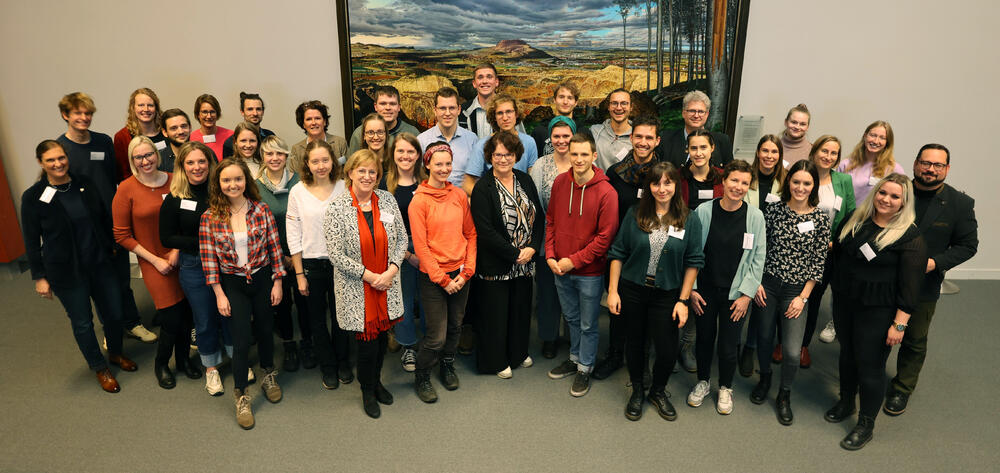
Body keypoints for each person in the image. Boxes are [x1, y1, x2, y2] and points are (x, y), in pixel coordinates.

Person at [21, 140, 137, 393]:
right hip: (66, 272)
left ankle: (116, 354)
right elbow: (31, 240)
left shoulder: (83, 183)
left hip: (100, 264)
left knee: (114, 315)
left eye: (61, 158)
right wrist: (39, 277)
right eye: (51, 160)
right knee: (82, 322)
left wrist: (114, 248)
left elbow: (104, 218)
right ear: (41, 163)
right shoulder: (33, 198)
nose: (58, 163)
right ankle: (99, 367)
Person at [825, 173, 926, 450]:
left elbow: (910, 287)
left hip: (879, 312)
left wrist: (900, 325)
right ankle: (846, 401)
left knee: (870, 366)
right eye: (883, 193)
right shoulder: (856, 221)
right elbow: (839, 252)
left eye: (895, 196)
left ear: (904, 202)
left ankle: (866, 423)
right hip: (846, 304)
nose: (886, 200)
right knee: (847, 355)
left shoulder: (909, 237)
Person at [883, 144, 978, 416]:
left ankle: (902, 388)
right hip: (884, 278)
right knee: (876, 331)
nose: (930, 169)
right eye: (925, 163)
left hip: (924, 284)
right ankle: (869, 377)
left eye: (937, 165)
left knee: (913, 338)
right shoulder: (895, 191)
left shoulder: (960, 204)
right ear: (915, 164)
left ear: (947, 169)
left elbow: (968, 245)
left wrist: (935, 263)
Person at [607, 162, 704, 421]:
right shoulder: (634, 213)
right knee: (635, 344)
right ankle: (638, 389)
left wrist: (683, 300)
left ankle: (658, 391)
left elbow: (694, 261)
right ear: (648, 186)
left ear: (676, 186)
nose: (662, 188)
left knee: (667, 348)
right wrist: (613, 291)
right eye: (656, 183)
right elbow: (617, 253)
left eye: (667, 183)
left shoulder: (688, 218)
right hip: (633, 290)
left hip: (667, 294)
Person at [56, 92, 155, 345]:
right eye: (77, 113)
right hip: (85, 228)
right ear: (66, 115)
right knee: (99, 281)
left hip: (112, 219)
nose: (84, 118)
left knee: (121, 275)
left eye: (87, 113)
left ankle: (132, 323)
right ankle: (112, 329)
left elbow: (116, 178)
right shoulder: (61, 149)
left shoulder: (103, 142)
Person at [199, 158, 286, 430]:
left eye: (238, 179)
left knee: (265, 330)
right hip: (233, 284)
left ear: (245, 181)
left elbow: (275, 249)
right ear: (219, 184)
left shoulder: (261, 209)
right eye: (226, 180)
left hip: (262, 279)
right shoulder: (210, 217)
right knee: (240, 340)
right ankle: (241, 394)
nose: (233, 184)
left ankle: (268, 375)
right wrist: (219, 295)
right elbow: (209, 260)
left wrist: (278, 283)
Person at [323, 150, 408, 418]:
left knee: (382, 340)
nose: (367, 176)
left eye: (373, 172)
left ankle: (377, 381)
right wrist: (372, 277)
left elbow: (402, 239)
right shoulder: (337, 207)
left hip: (387, 284)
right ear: (350, 173)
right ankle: (366, 390)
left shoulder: (387, 200)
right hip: (358, 288)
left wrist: (391, 270)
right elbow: (336, 255)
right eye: (362, 171)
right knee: (366, 344)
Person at [113, 136, 197, 390]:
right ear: (132, 160)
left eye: (148, 154)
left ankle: (183, 360)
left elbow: (186, 220)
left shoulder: (175, 181)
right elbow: (121, 235)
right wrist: (155, 260)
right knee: (171, 318)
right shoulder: (125, 189)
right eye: (138, 157)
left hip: (180, 256)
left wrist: (175, 252)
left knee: (186, 314)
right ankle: (162, 364)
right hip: (152, 262)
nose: (144, 160)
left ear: (156, 155)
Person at [749, 160, 830, 425]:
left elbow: (818, 263)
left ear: (813, 186)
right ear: (788, 183)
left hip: (796, 292)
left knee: (793, 351)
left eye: (807, 183)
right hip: (767, 285)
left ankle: (784, 393)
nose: (800, 187)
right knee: (763, 338)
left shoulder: (820, 218)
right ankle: (764, 379)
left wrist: (802, 297)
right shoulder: (772, 211)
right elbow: (759, 249)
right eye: (796, 181)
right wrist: (757, 282)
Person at [686, 159, 765, 415]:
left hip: (735, 295)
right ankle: (703, 381)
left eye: (744, 182)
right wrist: (693, 289)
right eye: (734, 180)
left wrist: (746, 296)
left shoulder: (755, 217)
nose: (738, 186)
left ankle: (726, 387)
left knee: (729, 345)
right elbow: (692, 253)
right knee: (704, 339)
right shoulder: (703, 212)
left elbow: (757, 259)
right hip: (705, 291)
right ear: (724, 181)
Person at [545, 133, 619, 398]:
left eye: (584, 154)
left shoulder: (606, 192)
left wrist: (572, 261)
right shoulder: (560, 183)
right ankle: (575, 358)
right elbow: (551, 219)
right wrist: (551, 255)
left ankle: (585, 368)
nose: (578, 159)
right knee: (572, 318)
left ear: (594, 156)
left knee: (588, 323)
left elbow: (604, 239)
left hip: (588, 272)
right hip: (559, 268)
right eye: (574, 154)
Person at [593, 114, 663, 380]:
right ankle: (614, 354)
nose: (643, 142)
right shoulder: (616, 173)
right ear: (631, 138)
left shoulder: (663, 175)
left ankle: (642, 361)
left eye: (649, 138)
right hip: (621, 252)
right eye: (639, 137)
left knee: (646, 310)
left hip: (652, 250)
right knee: (618, 306)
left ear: (657, 141)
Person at [159, 141, 232, 395]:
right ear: (182, 166)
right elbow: (166, 238)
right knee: (204, 319)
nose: (197, 167)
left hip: (227, 262)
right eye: (190, 162)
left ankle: (237, 359)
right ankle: (211, 369)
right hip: (195, 264)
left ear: (210, 164)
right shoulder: (176, 197)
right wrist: (203, 240)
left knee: (230, 315)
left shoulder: (221, 191)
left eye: (202, 161)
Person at [470, 130, 543, 378]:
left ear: (516, 155)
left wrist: (533, 247)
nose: (503, 159)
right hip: (497, 263)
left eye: (508, 154)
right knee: (496, 314)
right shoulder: (483, 187)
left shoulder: (525, 179)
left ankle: (517, 353)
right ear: (490, 156)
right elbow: (485, 230)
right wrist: (515, 253)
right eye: (498, 154)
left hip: (525, 262)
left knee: (520, 311)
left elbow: (539, 217)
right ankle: (495, 361)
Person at [408, 142, 477, 403]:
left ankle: (447, 364)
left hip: (460, 274)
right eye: (438, 164)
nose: (444, 168)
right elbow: (422, 247)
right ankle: (422, 374)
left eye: (448, 163)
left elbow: (470, 233)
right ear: (427, 165)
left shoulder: (458, 195)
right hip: (434, 278)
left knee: (456, 327)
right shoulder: (419, 201)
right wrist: (442, 280)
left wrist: (467, 271)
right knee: (436, 336)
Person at [288, 140, 353, 389]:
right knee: (316, 320)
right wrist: (299, 273)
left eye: (325, 160)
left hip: (342, 264)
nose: (321, 165)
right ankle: (327, 366)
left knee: (341, 319)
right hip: (312, 265)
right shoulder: (298, 191)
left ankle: (342, 361)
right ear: (307, 163)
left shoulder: (344, 188)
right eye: (315, 161)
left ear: (333, 161)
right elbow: (293, 235)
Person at [255, 135, 313, 373]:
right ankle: (289, 345)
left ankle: (308, 343)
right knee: (282, 304)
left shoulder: (300, 182)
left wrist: (295, 255)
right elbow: (258, 227)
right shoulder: (255, 187)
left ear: (287, 156)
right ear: (263, 157)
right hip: (273, 256)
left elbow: (307, 219)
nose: (275, 158)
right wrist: (280, 256)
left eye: (279, 153)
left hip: (301, 252)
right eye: (269, 153)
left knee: (305, 301)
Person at [379, 133, 428, 371]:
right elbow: (381, 226)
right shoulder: (384, 185)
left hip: (428, 247)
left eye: (410, 151)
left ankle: (430, 345)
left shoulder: (427, 182)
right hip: (398, 250)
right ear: (393, 155)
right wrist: (407, 255)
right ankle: (408, 346)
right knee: (404, 301)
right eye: (401, 151)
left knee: (430, 300)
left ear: (418, 155)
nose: (405, 156)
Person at [738, 134, 786, 373]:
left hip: (774, 249)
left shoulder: (785, 182)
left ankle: (750, 347)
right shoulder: (748, 178)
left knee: (760, 299)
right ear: (758, 152)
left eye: (774, 152)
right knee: (740, 292)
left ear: (780, 155)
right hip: (745, 244)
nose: (769, 156)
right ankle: (733, 341)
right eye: (765, 151)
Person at [528, 117, 575, 359]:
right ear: (550, 139)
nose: (561, 141)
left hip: (577, 239)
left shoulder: (581, 163)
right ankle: (549, 337)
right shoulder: (540, 165)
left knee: (573, 290)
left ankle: (571, 336)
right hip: (548, 237)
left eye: (566, 136)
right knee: (548, 291)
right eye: (556, 136)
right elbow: (534, 204)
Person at [808, 136, 856, 350]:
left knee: (814, 299)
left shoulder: (843, 181)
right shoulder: (802, 174)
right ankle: (781, 343)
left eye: (833, 153)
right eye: (824, 151)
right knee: (789, 298)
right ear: (815, 151)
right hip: (797, 249)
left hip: (827, 251)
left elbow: (851, 216)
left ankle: (803, 346)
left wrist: (833, 243)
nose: (828, 156)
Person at [462, 94, 539, 195]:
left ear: (516, 114)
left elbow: (533, 179)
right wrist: (488, 198)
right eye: (500, 113)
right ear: (494, 117)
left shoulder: (529, 142)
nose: (505, 118)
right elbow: (467, 184)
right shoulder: (482, 145)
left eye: (509, 112)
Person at [417, 87, 478, 187]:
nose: (447, 113)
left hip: (464, 199)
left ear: (459, 110)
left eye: (452, 108)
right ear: (435, 110)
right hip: (434, 198)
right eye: (442, 108)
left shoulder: (472, 140)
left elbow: (476, 176)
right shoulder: (422, 140)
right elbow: (418, 175)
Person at [657, 90, 734, 168]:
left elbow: (730, 174)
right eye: (692, 111)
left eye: (700, 111)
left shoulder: (722, 141)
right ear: (683, 113)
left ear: (707, 114)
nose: (696, 115)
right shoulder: (666, 139)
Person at [837, 120, 904, 206]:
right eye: (873, 135)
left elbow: (902, 200)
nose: (876, 141)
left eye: (882, 138)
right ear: (865, 136)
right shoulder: (846, 165)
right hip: (849, 217)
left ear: (887, 142)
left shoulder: (894, 169)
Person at [347, 85, 419, 156]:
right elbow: (353, 165)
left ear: (399, 107)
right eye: (383, 104)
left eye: (392, 104)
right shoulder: (360, 134)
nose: (388, 108)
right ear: (375, 107)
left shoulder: (412, 133)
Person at [459, 63, 526, 139]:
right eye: (480, 77)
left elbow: (522, 141)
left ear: (496, 82)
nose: (484, 81)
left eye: (489, 77)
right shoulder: (463, 112)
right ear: (474, 83)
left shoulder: (511, 110)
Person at [113, 88, 166, 180]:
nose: (146, 109)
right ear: (133, 108)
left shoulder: (166, 132)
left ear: (156, 108)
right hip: (138, 189)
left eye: (150, 105)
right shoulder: (122, 137)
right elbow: (123, 174)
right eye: (141, 105)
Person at [289, 100, 348, 173]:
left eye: (317, 118)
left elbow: (348, 173)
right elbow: (295, 179)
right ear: (303, 124)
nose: (313, 123)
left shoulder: (340, 143)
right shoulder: (296, 149)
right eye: (309, 119)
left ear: (325, 121)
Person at [530, 81, 587, 156]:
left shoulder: (584, 132)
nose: (565, 102)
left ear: (576, 102)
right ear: (554, 99)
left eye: (570, 98)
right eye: (561, 97)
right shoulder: (540, 132)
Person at [222, 92, 275, 158]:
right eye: (250, 109)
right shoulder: (230, 143)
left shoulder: (270, 136)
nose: (255, 113)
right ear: (242, 112)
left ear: (263, 112)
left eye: (258, 109)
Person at [590, 88, 633, 171]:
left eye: (624, 103)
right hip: (599, 183)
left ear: (631, 107)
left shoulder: (638, 136)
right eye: (614, 103)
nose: (619, 108)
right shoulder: (594, 132)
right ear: (609, 107)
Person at [189, 94, 234, 162]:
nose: (209, 116)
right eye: (205, 112)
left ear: (217, 113)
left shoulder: (231, 135)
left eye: (212, 112)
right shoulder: (191, 138)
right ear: (198, 114)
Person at [158, 108, 192, 172]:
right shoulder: (159, 160)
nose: (180, 131)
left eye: (184, 126)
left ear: (190, 128)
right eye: (174, 128)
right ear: (165, 132)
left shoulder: (205, 153)